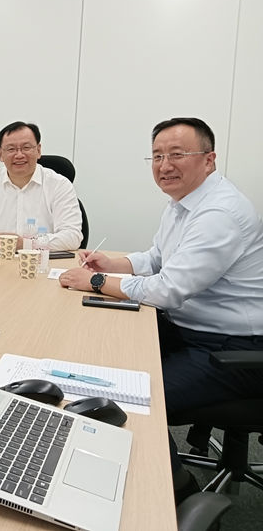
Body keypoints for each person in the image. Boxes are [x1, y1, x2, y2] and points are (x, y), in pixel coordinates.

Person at [58, 117, 263, 503]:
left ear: (209, 160)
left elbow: (168, 289)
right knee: (102, 355)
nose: (164, 165)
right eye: (156, 156)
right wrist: (114, 264)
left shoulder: (219, 214)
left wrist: (97, 281)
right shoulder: (184, 203)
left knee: (126, 399)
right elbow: (157, 258)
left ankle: (178, 494)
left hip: (234, 349)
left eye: (177, 154)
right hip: (192, 329)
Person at [0, 121, 82, 250]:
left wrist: (27, 244)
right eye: (11, 149)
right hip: (0, 260)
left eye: (26, 148)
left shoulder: (59, 185)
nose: (19, 155)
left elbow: (72, 237)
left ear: (38, 150)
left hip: (43, 260)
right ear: (0, 154)